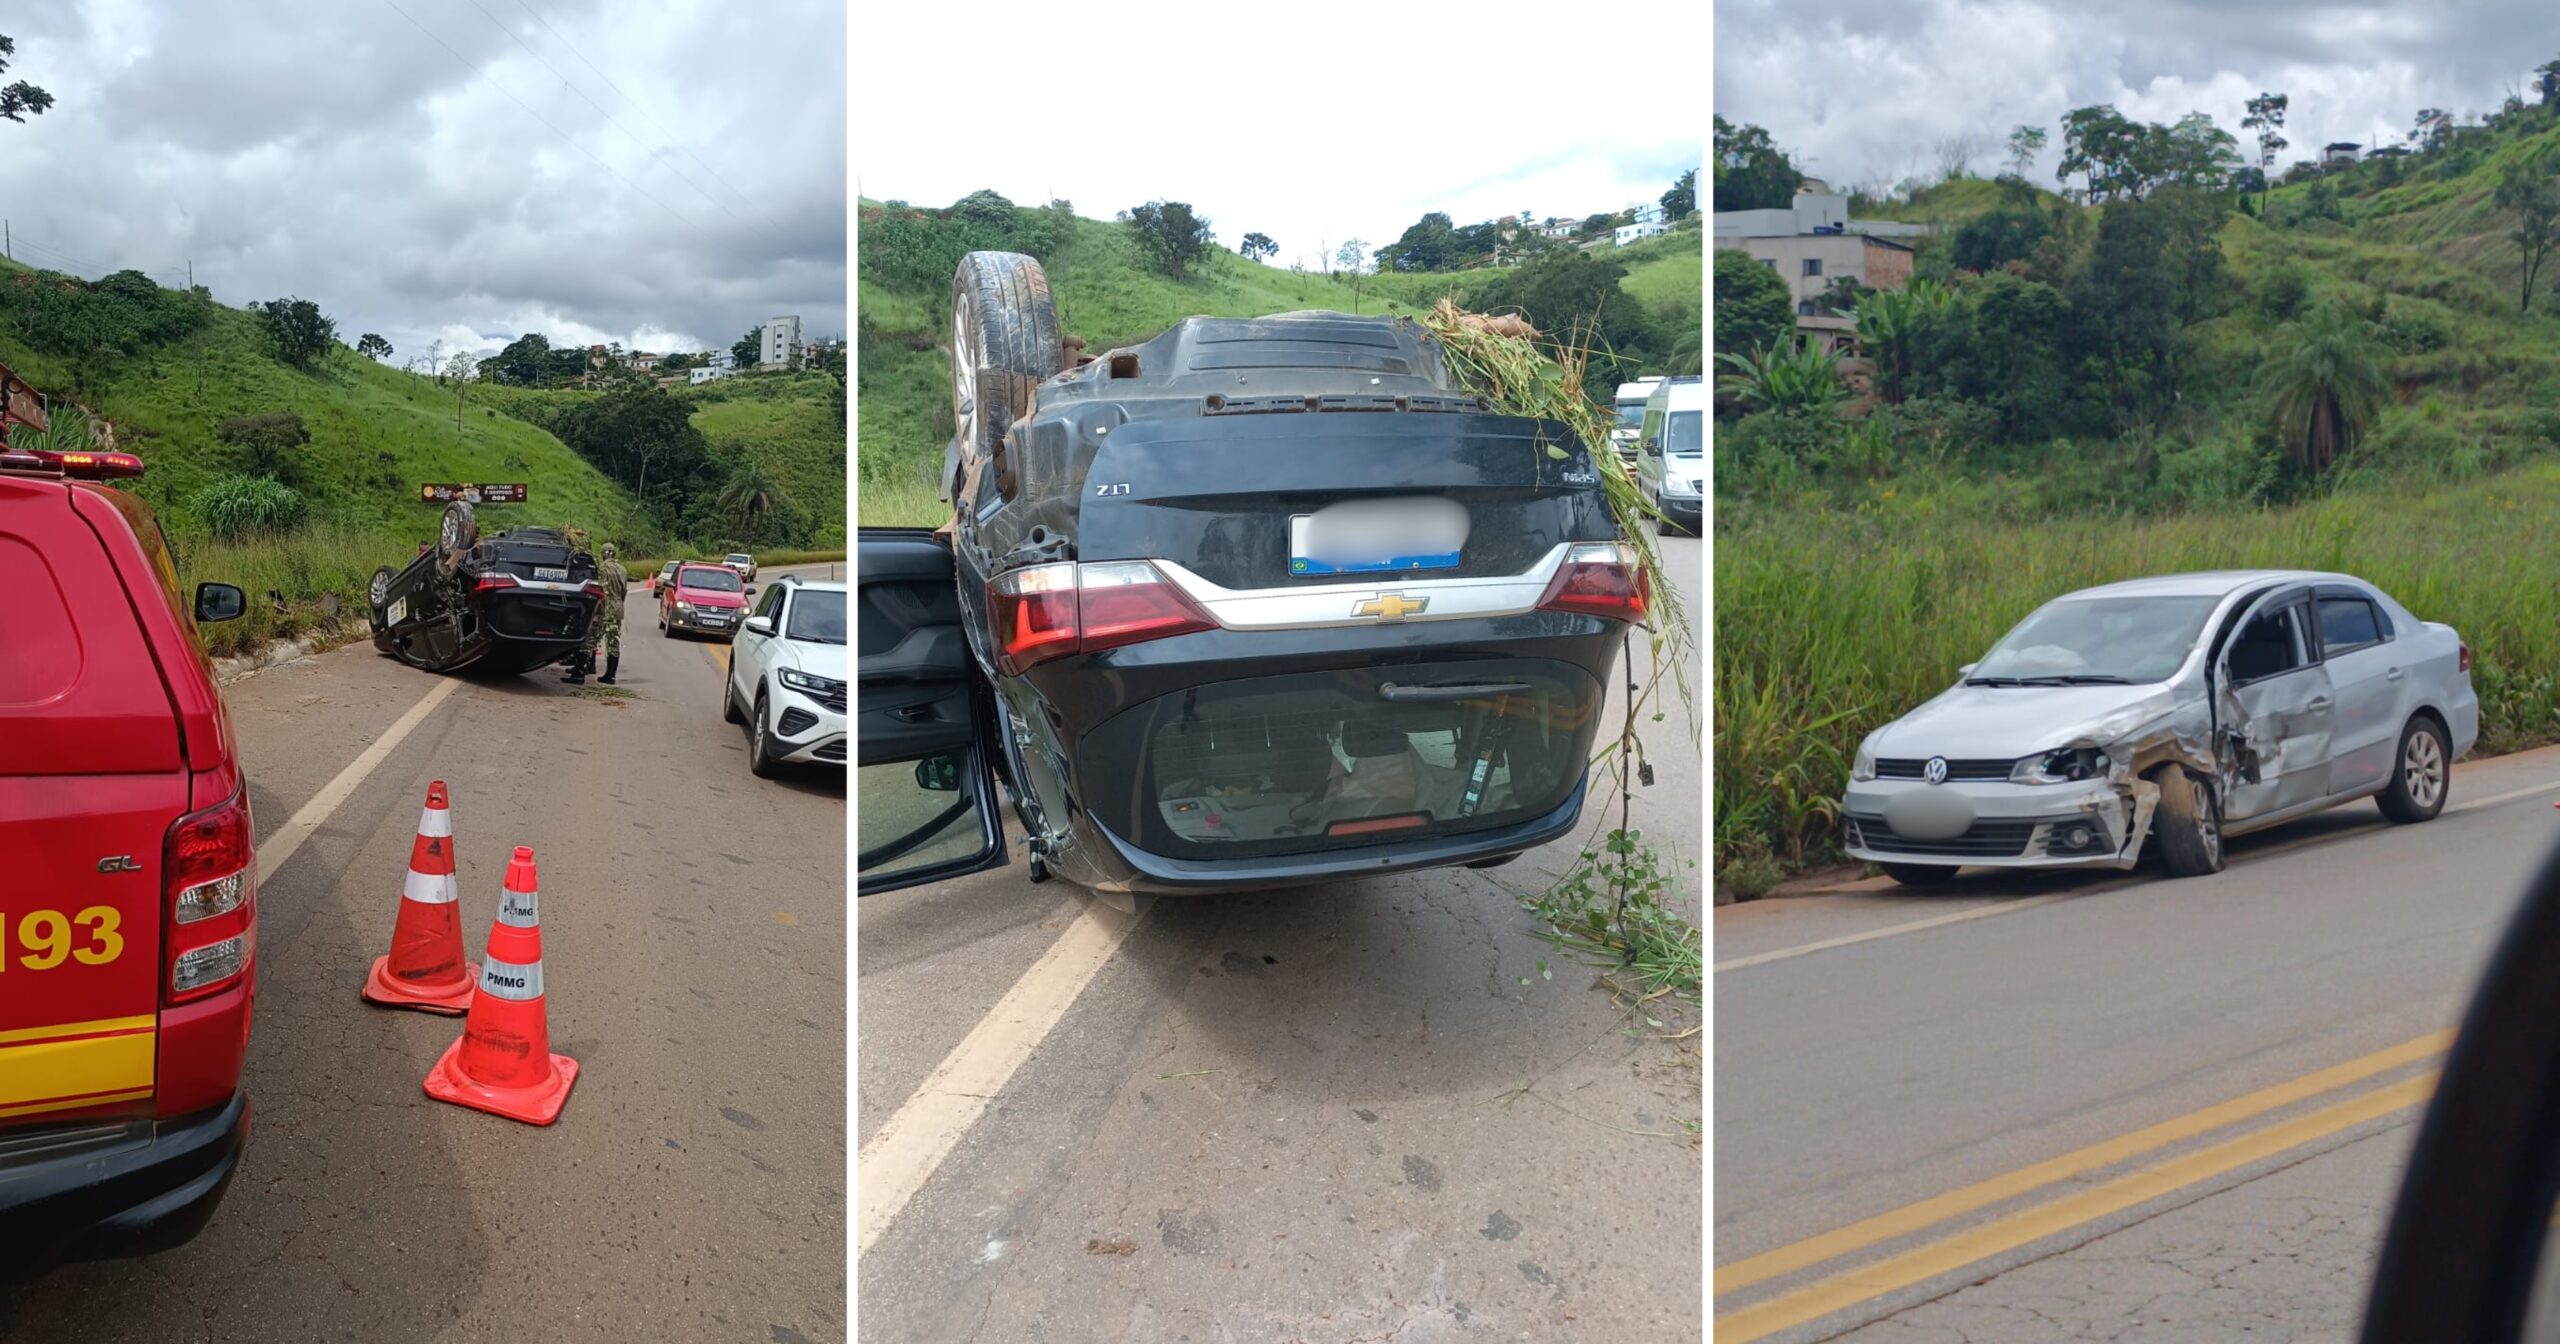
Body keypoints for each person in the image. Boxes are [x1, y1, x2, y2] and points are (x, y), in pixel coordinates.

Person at [565, 541, 629, 685]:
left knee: (590, 639)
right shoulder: (623, 569)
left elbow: (599, 590)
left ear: (603, 554)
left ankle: (579, 672)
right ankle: (611, 675)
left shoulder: (601, 569)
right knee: (613, 642)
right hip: (617, 609)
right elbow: (624, 591)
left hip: (604, 608)